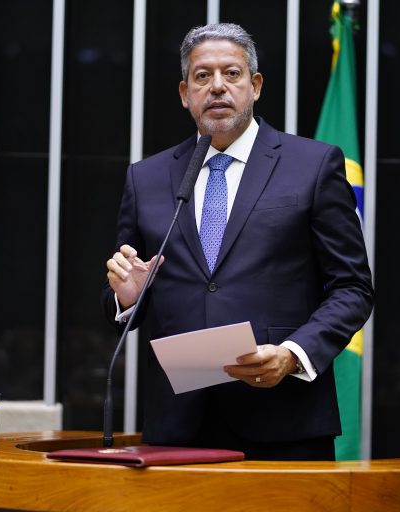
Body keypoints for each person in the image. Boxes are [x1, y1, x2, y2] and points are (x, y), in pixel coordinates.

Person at [102, 23, 373, 460]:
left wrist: (293, 353)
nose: (217, 87)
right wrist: (130, 297)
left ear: (256, 85)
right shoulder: (146, 177)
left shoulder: (313, 164)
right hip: (179, 425)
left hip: (283, 418)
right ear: (184, 92)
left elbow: (353, 288)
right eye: (202, 76)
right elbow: (125, 293)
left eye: (232, 73)